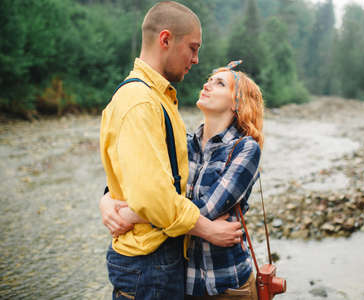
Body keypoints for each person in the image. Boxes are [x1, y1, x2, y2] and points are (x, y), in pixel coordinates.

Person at [99, 2, 243, 299]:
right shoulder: (141, 102)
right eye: (192, 48)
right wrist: (206, 229)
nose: (196, 59)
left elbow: (139, 172)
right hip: (149, 265)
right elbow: (152, 197)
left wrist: (108, 198)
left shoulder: (156, 98)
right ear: (165, 40)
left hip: (157, 262)